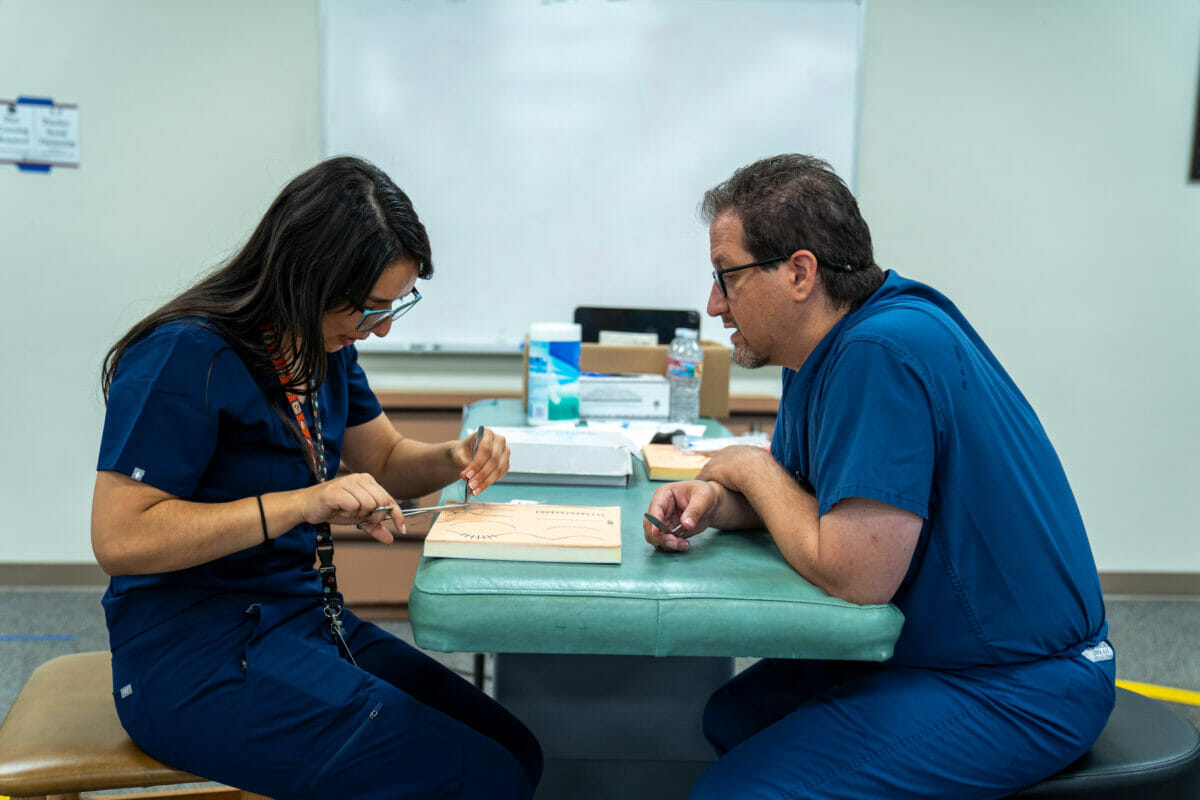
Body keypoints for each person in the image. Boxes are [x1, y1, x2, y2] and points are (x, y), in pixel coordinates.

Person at [642, 154, 1113, 799]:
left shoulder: (879, 352)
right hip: (946, 652)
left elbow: (856, 573)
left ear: (800, 273)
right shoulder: (824, 346)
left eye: (728, 277)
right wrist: (720, 501)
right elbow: (810, 496)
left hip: (1017, 681)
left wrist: (750, 469)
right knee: (734, 716)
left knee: (732, 793)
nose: (714, 304)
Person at [92, 156, 542, 800]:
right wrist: (303, 502)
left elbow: (385, 458)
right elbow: (120, 538)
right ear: (306, 277)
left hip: (300, 623)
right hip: (194, 657)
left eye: (395, 306)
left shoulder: (322, 346)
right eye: (369, 308)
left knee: (515, 751)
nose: (381, 328)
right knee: (482, 779)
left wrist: (453, 455)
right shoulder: (184, 356)